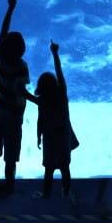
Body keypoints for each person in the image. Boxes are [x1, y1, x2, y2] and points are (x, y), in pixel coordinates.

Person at [0, 0, 34, 197]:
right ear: (22, 49)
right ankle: (9, 187)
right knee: (11, 156)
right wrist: (40, 101)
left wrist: (10, 8)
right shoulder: (21, 66)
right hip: (13, 116)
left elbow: (2, 34)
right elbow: (21, 90)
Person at [33, 41, 79, 198]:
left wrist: (38, 136)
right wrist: (55, 53)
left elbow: (40, 120)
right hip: (63, 137)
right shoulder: (61, 96)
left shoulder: (42, 101)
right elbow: (59, 72)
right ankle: (66, 191)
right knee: (65, 167)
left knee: (49, 169)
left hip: (50, 138)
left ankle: (46, 194)